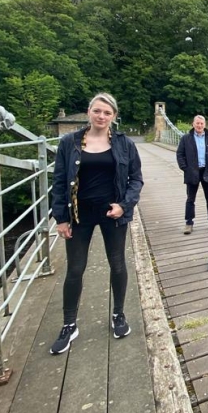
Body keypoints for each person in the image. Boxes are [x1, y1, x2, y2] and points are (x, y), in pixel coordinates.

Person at [49, 92, 144, 354]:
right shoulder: (69, 142)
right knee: (75, 269)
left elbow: (136, 180)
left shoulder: (125, 144)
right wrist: (61, 218)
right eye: (97, 111)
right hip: (79, 214)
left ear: (114, 116)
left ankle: (118, 315)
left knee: (117, 264)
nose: (101, 116)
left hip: (112, 213)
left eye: (107, 113)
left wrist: (124, 205)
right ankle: (69, 324)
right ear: (89, 112)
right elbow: (58, 182)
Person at [176, 115, 208, 235]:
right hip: (192, 171)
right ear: (193, 124)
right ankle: (189, 223)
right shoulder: (186, 138)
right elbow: (180, 154)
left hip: (207, 171)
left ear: (204, 125)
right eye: (197, 123)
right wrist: (185, 168)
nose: (199, 125)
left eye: (201, 123)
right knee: (190, 199)